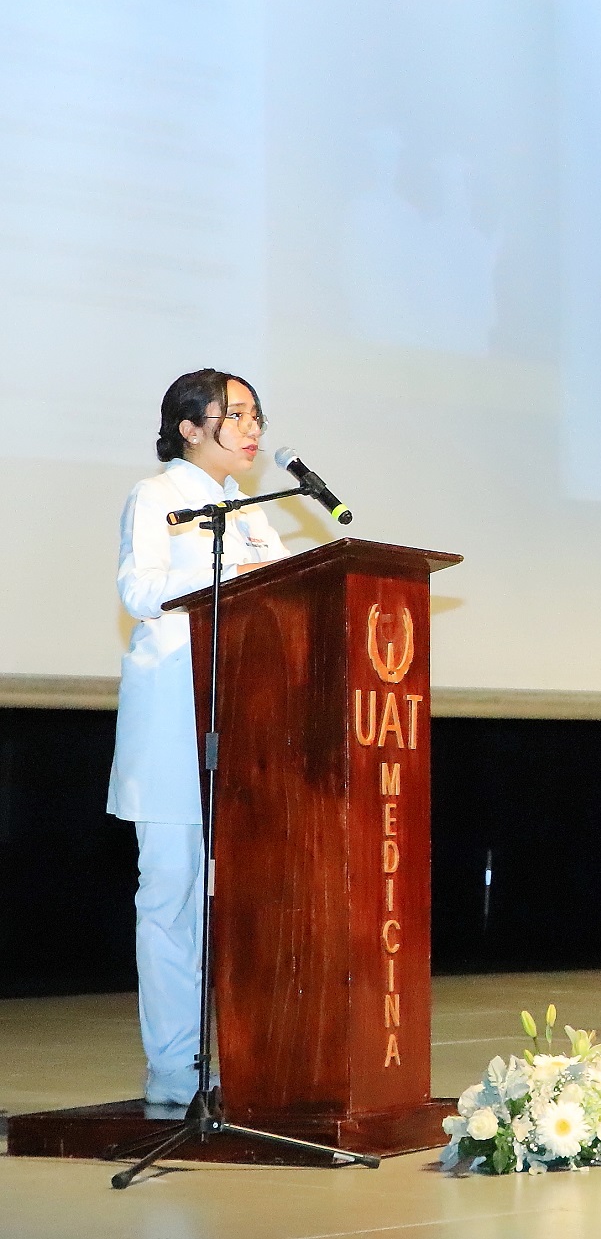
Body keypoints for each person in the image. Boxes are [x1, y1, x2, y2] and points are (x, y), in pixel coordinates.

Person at [107, 370, 291, 1106]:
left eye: (256, 415)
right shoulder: (157, 497)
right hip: (170, 722)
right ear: (189, 427)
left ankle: (247, 1052)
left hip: (245, 720)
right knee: (172, 893)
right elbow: (136, 590)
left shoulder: (253, 514)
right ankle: (174, 1062)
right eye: (236, 414)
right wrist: (224, 581)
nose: (253, 429)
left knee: (245, 897)